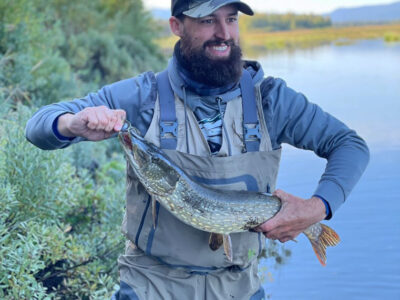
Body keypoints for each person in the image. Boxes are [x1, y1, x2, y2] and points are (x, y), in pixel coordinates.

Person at [25, 0, 370, 299]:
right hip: (152, 286)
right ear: (176, 25)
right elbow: (38, 126)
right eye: (208, 20)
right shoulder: (143, 97)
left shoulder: (272, 100)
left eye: (231, 19)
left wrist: (318, 207)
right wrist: (71, 124)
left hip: (239, 287)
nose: (224, 33)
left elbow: (350, 145)